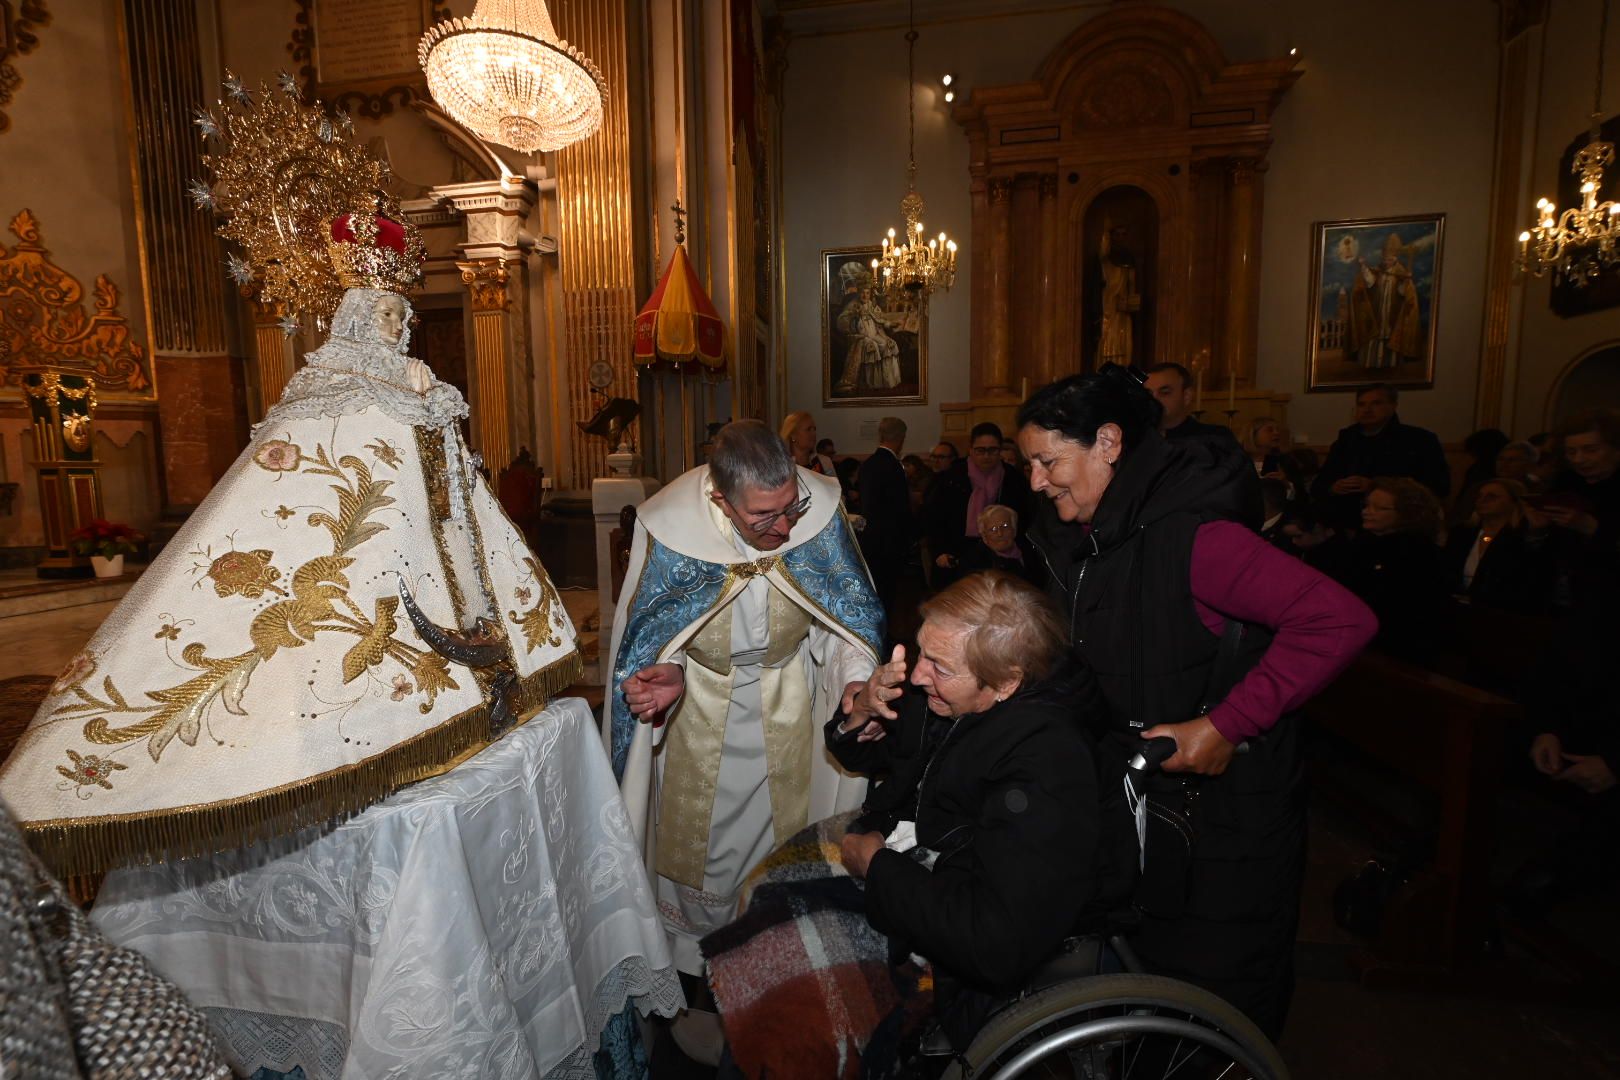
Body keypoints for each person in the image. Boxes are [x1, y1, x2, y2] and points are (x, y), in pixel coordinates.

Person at [0, 153, 580, 874]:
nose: (400, 326)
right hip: (351, 564)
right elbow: (306, 489)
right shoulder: (324, 391)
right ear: (358, 316)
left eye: (404, 313)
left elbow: (446, 495)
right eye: (389, 312)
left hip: (428, 561)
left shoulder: (421, 389)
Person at [1016, 368, 1376, 1039]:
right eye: (1029, 465)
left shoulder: (1198, 538)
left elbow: (1338, 620)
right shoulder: (1096, 538)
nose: (1036, 482)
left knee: (1212, 999)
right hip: (1142, 801)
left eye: (1047, 461)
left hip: (1224, 822)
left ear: (1109, 443)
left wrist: (1226, 723)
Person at [605, 420, 883, 1063]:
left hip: (793, 709)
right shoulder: (671, 524)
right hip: (699, 715)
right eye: (764, 519)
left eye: (792, 510)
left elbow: (845, 622)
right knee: (699, 868)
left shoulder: (816, 512)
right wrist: (665, 673)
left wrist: (855, 685)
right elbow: (647, 636)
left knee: (786, 863)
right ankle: (694, 1004)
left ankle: (775, 1002)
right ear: (719, 500)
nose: (784, 530)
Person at [830, 571, 1101, 1049]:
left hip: (954, 929)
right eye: (920, 653)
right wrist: (859, 717)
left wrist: (876, 868)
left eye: (938, 666)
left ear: (1006, 684)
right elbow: (887, 756)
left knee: (805, 963)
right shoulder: (957, 698)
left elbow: (993, 941)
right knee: (768, 887)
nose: (916, 676)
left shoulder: (1047, 765)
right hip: (911, 860)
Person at [1313, 477, 1451, 665]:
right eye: (1367, 506)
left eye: (1379, 508)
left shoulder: (1418, 552)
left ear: (1407, 514)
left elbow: (1405, 608)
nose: (1367, 512)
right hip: (1357, 633)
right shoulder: (1364, 543)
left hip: (1397, 645)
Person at [1311, 383, 1450, 529]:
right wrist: (1333, 487)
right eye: (1361, 404)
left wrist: (1376, 486)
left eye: (1376, 403)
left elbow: (1437, 486)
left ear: (1393, 406)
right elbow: (1320, 484)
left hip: (1399, 523)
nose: (1367, 409)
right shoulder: (1345, 441)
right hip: (1345, 520)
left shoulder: (1419, 440)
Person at [922, 422, 1032, 591]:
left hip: (1002, 559)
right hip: (957, 556)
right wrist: (940, 551)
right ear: (970, 449)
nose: (986, 456)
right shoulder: (951, 478)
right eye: (981, 450)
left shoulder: (1013, 479)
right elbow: (935, 518)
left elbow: (1025, 518)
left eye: (992, 450)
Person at [1543, 409, 1620, 612]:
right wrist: (1536, 531)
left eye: (1591, 450)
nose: (1578, 459)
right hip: (1567, 595)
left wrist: (1595, 529)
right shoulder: (1565, 483)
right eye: (1571, 452)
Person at [1443, 478, 1556, 615]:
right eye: (1479, 496)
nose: (1481, 500)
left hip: (1501, 613)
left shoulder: (1522, 538)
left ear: (1513, 503)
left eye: (1492, 497)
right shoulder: (1462, 534)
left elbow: (1526, 582)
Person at [858, 416, 913, 615]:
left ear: (880, 435)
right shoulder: (894, 466)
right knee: (887, 593)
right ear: (902, 438)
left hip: (871, 539)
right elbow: (900, 508)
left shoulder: (868, 464)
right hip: (891, 541)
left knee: (874, 590)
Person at [1349, 232, 1422, 369]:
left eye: (1389, 260)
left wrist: (1405, 281)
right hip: (1378, 310)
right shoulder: (1378, 270)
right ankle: (1371, 364)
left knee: (1390, 335)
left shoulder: (1401, 272)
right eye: (1385, 259)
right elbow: (1369, 282)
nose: (1386, 262)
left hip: (1392, 313)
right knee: (1375, 335)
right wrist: (1364, 266)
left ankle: (1391, 364)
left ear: (1395, 259)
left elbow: (1402, 293)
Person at [958, 504, 1046, 588]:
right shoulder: (974, 564)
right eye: (993, 529)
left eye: (1005, 526)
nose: (1000, 533)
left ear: (1014, 529)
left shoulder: (1032, 551)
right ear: (984, 536)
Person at [1244, 416, 1305, 500]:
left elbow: (1301, 497)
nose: (1276, 433)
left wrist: (1285, 483)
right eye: (1270, 430)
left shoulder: (1285, 460)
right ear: (1253, 435)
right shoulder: (1239, 460)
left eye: (1277, 430)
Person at [780, 410, 836, 477]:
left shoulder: (825, 462)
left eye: (814, 429)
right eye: (808, 429)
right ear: (793, 435)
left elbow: (833, 486)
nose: (814, 433)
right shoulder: (782, 466)